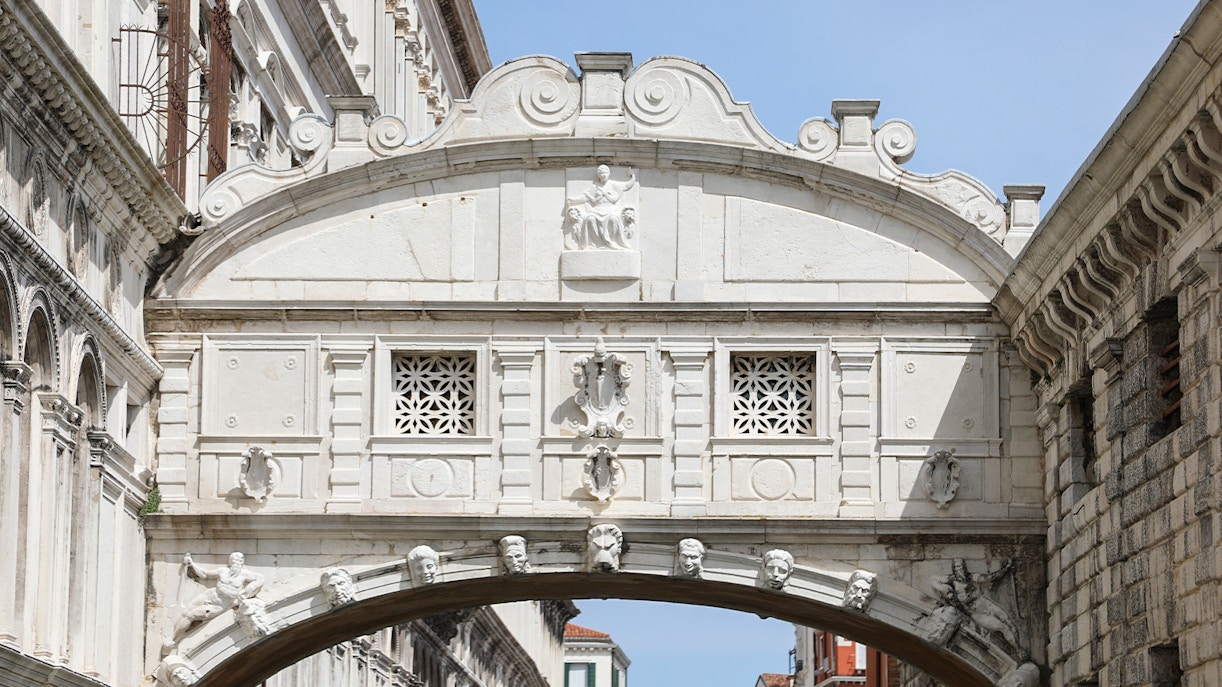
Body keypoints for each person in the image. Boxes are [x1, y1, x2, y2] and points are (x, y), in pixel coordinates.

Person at [171, 552, 264, 644]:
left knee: (191, 614)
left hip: (221, 604)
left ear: (242, 562)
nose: (237, 562)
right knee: (186, 611)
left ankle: (173, 640)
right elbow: (205, 575)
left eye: (239, 560)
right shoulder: (223, 570)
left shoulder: (245, 574)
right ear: (230, 561)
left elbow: (260, 579)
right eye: (235, 560)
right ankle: (175, 635)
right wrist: (192, 564)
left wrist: (248, 591)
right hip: (210, 594)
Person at [930, 559, 1021, 650]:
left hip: (987, 604)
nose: (959, 569)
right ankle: (1018, 649)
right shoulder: (952, 580)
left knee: (1009, 621)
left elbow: (991, 577)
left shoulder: (973, 577)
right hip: (978, 614)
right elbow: (933, 580)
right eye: (957, 566)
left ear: (964, 567)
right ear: (953, 568)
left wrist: (1006, 569)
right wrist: (942, 589)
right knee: (1002, 627)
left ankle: (1017, 645)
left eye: (961, 566)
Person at [566, 165, 637, 250]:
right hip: (597, 210)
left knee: (613, 219)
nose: (604, 175)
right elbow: (585, 197)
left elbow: (626, 186)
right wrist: (574, 201)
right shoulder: (595, 187)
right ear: (598, 175)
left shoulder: (613, 185)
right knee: (590, 219)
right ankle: (595, 243)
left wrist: (633, 176)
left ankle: (611, 242)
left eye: (606, 173)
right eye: (601, 173)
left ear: (609, 174)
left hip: (610, 210)